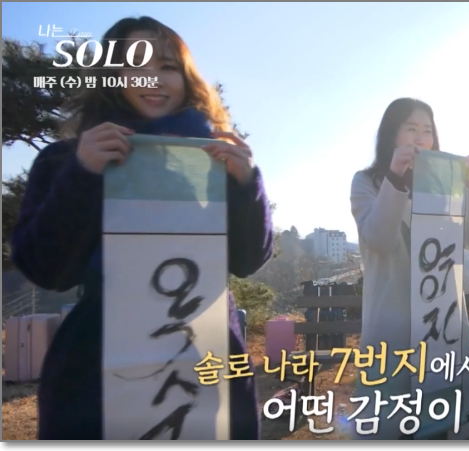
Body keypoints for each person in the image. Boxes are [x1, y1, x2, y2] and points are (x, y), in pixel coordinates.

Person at [11, 16, 273, 440]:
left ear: (187, 79)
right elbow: (46, 269)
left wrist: (246, 186)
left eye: (168, 67)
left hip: (205, 357)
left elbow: (248, 260)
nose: (155, 79)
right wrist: (81, 174)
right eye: (137, 65)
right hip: (95, 376)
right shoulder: (67, 160)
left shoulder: (214, 160)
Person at [348, 97, 469, 440]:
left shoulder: (445, 185)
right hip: (392, 320)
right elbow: (378, 240)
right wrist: (395, 180)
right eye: (411, 128)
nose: (421, 137)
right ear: (391, 135)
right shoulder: (367, 181)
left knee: (443, 417)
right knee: (391, 420)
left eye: (427, 130)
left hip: (442, 320)